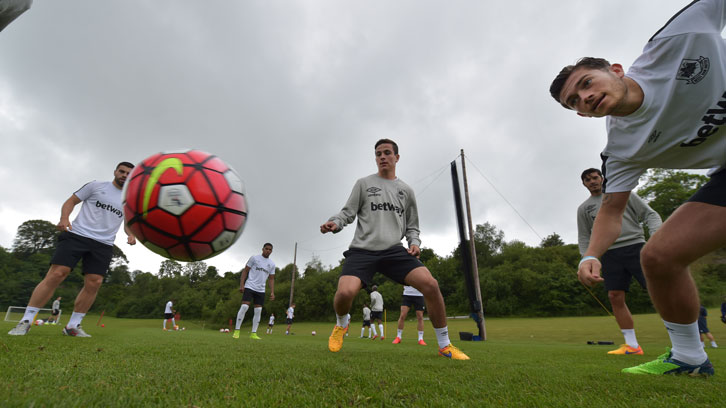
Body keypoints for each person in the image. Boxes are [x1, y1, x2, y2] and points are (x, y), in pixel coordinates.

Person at [549, 0, 726, 376]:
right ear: (581, 115)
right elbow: (611, 211)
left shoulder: (677, 40)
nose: (585, 97)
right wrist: (589, 255)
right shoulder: (621, 149)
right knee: (658, 257)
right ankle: (689, 358)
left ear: (615, 69)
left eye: (586, 83)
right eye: (574, 102)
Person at [321, 139, 469, 359]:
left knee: (430, 284)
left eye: (387, 153)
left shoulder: (406, 191)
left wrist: (415, 243)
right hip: (363, 251)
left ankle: (444, 345)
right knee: (344, 293)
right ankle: (341, 325)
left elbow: (413, 226)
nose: (382, 156)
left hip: (393, 251)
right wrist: (336, 223)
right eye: (378, 153)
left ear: (396, 158)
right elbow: (347, 213)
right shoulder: (363, 184)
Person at [8, 162, 136, 337]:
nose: (124, 175)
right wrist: (64, 218)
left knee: (95, 282)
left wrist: (131, 234)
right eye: (122, 171)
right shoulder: (96, 186)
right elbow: (71, 201)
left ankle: (72, 326)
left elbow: (127, 223)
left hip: (104, 244)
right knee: (57, 273)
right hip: (77, 235)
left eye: (129, 173)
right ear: (115, 172)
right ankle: (26, 321)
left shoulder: (130, 200)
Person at [577, 168, 662, 355]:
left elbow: (651, 215)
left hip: (636, 247)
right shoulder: (584, 209)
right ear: (583, 184)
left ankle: (685, 341)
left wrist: (656, 239)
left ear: (602, 178)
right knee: (615, 296)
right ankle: (632, 346)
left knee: (659, 291)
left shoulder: (624, 195)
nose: (592, 181)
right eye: (587, 180)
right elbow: (584, 237)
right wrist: (586, 260)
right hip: (609, 254)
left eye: (595, 177)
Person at [233, 243, 275, 340]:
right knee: (244, 307)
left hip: (261, 289)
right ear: (262, 249)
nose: (268, 251)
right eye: (266, 249)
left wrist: (272, 292)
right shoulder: (254, 258)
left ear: (271, 251)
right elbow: (245, 271)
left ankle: (253, 333)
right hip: (250, 286)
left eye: (270, 249)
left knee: (258, 310)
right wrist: (242, 284)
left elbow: (271, 279)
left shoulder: (272, 264)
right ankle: (236, 331)